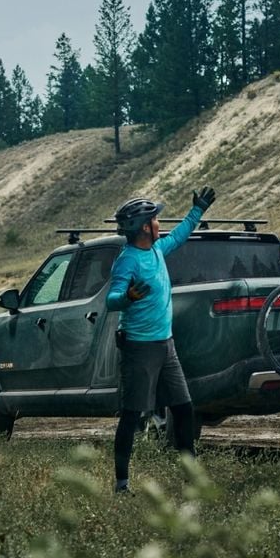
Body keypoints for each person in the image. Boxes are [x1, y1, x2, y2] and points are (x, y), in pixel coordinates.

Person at [105, 186, 216, 493]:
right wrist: (127, 297)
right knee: (132, 415)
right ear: (144, 227)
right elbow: (111, 301)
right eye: (154, 219)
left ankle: (190, 476)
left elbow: (179, 236)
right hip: (139, 348)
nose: (159, 224)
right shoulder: (128, 260)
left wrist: (198, 211)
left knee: (183, 409)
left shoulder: (156, 250)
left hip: (166, 346)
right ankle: (122, 484)